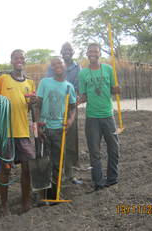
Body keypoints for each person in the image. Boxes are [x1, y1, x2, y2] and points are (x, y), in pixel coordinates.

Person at [0, 49, 36, 215]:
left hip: (23, 132)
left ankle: (26, 201)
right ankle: (4, 205)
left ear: (24, 61)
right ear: (11, 60)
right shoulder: (3, 79)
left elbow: (31, 107)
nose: (19, 60)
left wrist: (34, 105)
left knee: (27, 168)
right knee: (6, 169)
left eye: (22, 58)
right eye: (16, 57)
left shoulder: (30, 83)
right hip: (6, 133)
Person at [77, 43, 120, 191]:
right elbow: (84, 96)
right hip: (92, 118)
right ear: (87, 54)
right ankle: (98, 181)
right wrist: (73, 104)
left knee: (114, 148)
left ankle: (112, 178)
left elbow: (113, 89)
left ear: (99, 53)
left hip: (108, 115)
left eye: (95, 51)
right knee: (94, 151)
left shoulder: (108, 69)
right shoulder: (83, 74)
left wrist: (117, 90)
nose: (92, 53)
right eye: (90, 51)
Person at [37, 57, 77, 199]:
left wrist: (70, 121)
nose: (57, 66)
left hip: (60, 130)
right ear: (51, 68)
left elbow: (73, 108)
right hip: (45, 129)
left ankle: (55, 193)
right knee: (43, 162)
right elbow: (38, 104)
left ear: (65, 65)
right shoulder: (45, 83)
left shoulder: (69, 87)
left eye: (59, 63)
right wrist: (38, 126)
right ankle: (42, 195)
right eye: (54, 64)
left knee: (57, 162)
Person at [46, 42, 82, 184]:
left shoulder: (77, 67)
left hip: (70, 107)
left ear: (73, 52)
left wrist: (74, 99)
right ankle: (55, 176)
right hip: (55, 108)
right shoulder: (52, 66)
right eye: (64, 50)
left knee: (70, 143)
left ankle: (70, 174)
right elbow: (49, 85)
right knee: (54, 143)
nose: (67, 52)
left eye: (69, 50)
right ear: (61, 52)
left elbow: (78, 88)